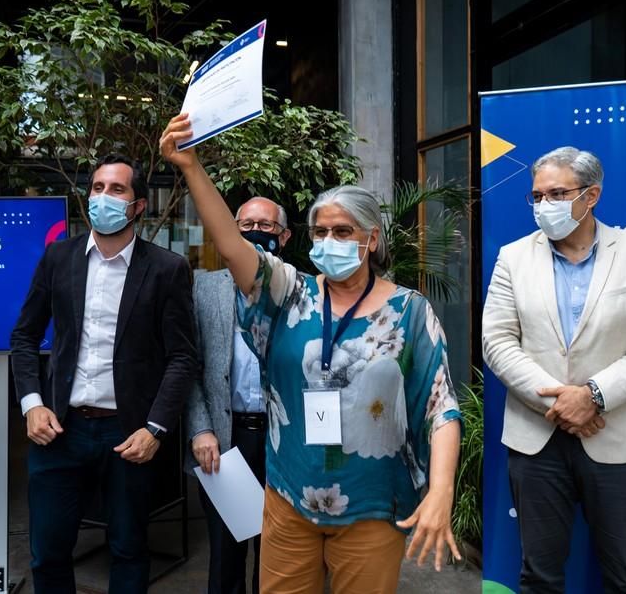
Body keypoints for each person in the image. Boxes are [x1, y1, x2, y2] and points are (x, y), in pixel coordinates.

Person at [161, 113, 462, 594]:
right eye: (320, 232)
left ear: (371, 239)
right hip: (287, 502)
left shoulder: (410, 311)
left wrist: (442, 490)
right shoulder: (288, 293)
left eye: (343, 232)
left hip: (372, 507)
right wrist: (191, 167)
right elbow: (233, 246)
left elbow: (440, 406)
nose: (329, 242)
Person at [482, 146, 626, 593]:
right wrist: (559, 401)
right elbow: (497, 342)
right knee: (539, 578)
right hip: (536, 441)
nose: (543, 206)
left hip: (615, 438)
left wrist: (590, 395)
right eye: (536, 196)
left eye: (556, 193)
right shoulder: (513, 257)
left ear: (591, 196)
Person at [10, 154, 198, 594]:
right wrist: (32, 405)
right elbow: (24, 337)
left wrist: (155, 428)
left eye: (117, 190)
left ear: (138, 207)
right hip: (59, 429)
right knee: (49, 551)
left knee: (130, 549)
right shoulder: (59, 258)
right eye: (97, 188)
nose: (104, 197)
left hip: (128, 433)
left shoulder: (167, 269)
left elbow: (182, 357)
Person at [186, 196, 292, 594]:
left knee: (279, 554)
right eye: (245, 224)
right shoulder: (203, 288)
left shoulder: (300, 291)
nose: (255, 232)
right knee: (226, 556)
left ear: (285, 236)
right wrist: (200, 430)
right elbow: (188, 367)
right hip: (225, 442)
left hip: (284, 441)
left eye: (266, 226)